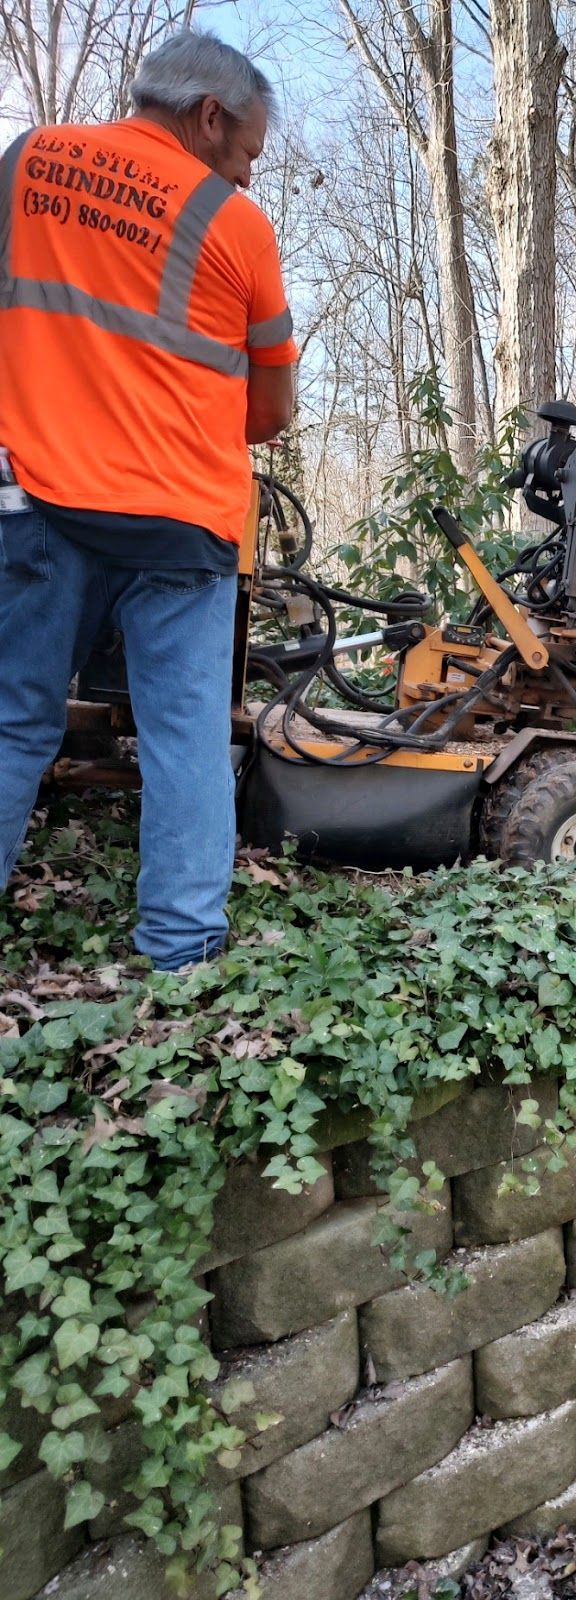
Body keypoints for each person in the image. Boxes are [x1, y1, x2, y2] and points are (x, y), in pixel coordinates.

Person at [0, 30, 297, 970]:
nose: (247, 176)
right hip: (182, 525)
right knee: (185, 746)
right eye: (247, 152)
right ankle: (181, 960)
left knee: (13, 722)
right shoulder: (235, 225)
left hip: (38, 500)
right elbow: (271, 410)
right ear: (208, 117)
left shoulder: (27, 164)